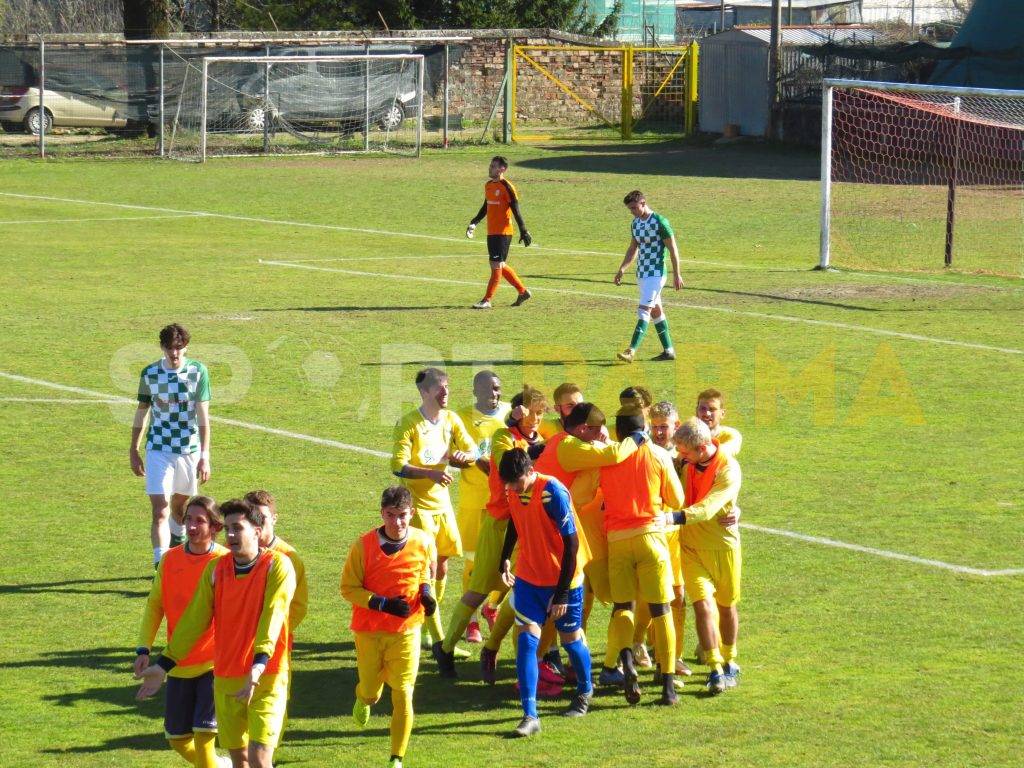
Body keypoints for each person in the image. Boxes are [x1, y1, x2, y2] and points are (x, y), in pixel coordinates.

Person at [136, 499, 296, 768]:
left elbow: (273, 616)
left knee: (259, 757)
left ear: (257, 531)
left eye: (238, 528)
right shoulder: (216, 570)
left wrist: (258, 665)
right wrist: (163, 665)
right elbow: (193, 622)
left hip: (266, 676)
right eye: (229, 529)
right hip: (226, 677)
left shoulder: (277, 566)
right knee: (240, 761)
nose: (231, 535)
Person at [434, 386, 546, 679]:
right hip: (499, 526)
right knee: (478, 590)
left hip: (528, 527)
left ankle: (499, 650)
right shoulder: (503, 437)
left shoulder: (541, 440)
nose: (535, 418)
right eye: (531, 411)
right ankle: (445, 649)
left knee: (525, 590)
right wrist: (512, 425)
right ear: (519, 411)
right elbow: (510, 462)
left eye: (540, 412)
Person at [497, 448, 593, 738]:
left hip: (564, 579)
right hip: (529, 577)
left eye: (514, 482)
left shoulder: (553, 492)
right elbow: (515, 520)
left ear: (528, 472)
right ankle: (530, 714)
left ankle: (585, 690)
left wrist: (562, 594)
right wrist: (505, 556)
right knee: (527, 640)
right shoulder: (514, 490)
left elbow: (572, 544)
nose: (509, 488)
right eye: (507, 483)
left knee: (570, 639)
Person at [341, 486, 438, 768]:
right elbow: (348, 588)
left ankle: (397, 757)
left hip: (407, 631)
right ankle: (365, 698)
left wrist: (427, 595)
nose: (397, 522)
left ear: (413, 513)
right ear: (382, 513)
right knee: (371, 691)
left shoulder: (424, 541)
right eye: (391, 515)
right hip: (369, 631)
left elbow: (425, 574)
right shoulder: (363, 546)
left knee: (404, 692)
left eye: (402, 516)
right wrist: (381, 604)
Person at [598, 405, 683, 706]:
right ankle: (668, 686)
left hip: (617, 541)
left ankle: (627, 664)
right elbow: (678, 499)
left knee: (623, 607)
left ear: (619, 431)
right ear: (644, 429)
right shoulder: (659, 455)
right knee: (662, 610)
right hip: (651, 537)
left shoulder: (607, 457)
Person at [135, 496, 228, 768]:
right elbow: (155, 606)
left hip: (214, 663)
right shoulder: (170, 560)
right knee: (176, 738)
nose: (192, 526)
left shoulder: (223, 561)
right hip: (176, 663)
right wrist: (144, 648)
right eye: (188, 519)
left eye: (200, 520)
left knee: (204, 736)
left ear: (215, 527)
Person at [391, 367, 477, 652]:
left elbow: (472, 451)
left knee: (442, 564)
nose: (446, 394)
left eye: (448, 388)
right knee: (425, 568)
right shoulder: (408, 424)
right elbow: (398, 466)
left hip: (443, 506)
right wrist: (430, 473)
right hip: (419, 509)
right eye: (440, 389)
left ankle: (430, 629)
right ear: (424, 392)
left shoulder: (451, 420)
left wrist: (464, 456)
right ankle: (436, 637)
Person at [667, 416, 743, 694]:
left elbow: (710, 507)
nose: (679, 456)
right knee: (702, 605)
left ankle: (730, 659)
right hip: (690, 547)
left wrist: (673, 517)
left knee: (726, 606)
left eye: (684, 452)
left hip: (722, 547)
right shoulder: (686, 463)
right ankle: (714, 667)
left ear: (701, 448)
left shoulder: (728, 470)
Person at [130, 323, 212, 566]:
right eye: (169, 348)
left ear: (185, 347)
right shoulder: (150, 373)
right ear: (162, 348)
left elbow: (203, 416)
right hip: (158, 448)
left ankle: (178, 537)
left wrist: (205, 455)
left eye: (178, 348)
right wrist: (133, 449)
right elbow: (142, 411)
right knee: (160, 510)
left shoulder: (198, 371)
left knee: (181, 506)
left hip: (188, 449)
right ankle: (161, 565)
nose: (174, 353)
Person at [454, 371, 511, 642]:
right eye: (489, 390)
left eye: (498, 389)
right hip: (473, 501)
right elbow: (450, 455)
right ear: (476, 391)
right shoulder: (461, 417)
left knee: (505, 562)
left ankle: (491, 607)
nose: (495, 394)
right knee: (472, 563)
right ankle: (472, 621)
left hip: (503, 503)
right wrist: (463, 460)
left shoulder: (511, 414)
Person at [614, 191, 682, 363]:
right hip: (642, 274)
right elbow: (632, 249)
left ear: (643, 203)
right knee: (656, 312)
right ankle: (669, 351)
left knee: (644, 310)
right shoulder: (635, 224)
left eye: (635, 207)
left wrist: (677, 274)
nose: (633, 211)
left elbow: (673, 250)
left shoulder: (660, 222)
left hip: (656, 274)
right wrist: (622, 268)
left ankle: (631, 351)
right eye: (630, 209)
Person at [466, 155, 532, 309]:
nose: (490, 168)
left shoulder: (507, 187)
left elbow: (516, 209)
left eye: (494, 166)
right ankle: (522, 292)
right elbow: (486, 207)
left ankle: (487, 300)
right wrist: (474, 222)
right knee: (499, 264)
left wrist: (524, 230)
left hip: (503, 232)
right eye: (490, 165)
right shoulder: (488, 185)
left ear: (503, 169)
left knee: (495, 264)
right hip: (491, 232)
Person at [243, 490, 308, 639]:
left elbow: (298, 607)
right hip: (235, 641)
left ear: (274, 519)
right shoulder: (231, 550)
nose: (255, 524)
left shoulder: (289, 557)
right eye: (249, 518)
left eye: (261, 518)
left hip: (273, 646)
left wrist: (267, 634)